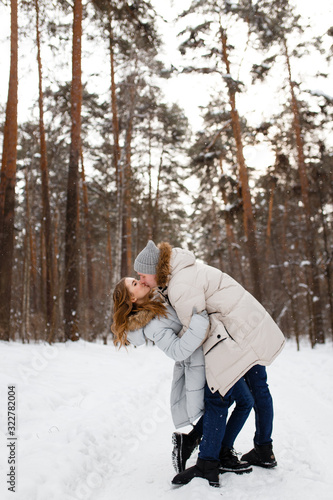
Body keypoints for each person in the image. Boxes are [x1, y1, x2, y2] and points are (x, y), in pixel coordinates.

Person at [133, 240, 285, 486]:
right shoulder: (181, 273)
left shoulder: (180, 284)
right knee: (256, 390)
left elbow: (197, 330)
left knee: (218, 394)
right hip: (247, 325)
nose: (141, 280)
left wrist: (181, 350)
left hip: (236, 333)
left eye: (142, 275)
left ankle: (209, 460)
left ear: (155, 269)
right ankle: (260, 450)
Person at [111, 277, 254, 487]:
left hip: (212, 353)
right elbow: (177, 351)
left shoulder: (159, 302)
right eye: (134, 284)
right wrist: (199, 320)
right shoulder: (150, 324)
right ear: (132, 298)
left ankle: (196, 443)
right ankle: (214, 453)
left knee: (241, 400)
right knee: (233, 402)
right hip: (202, 363)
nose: (139, 282)